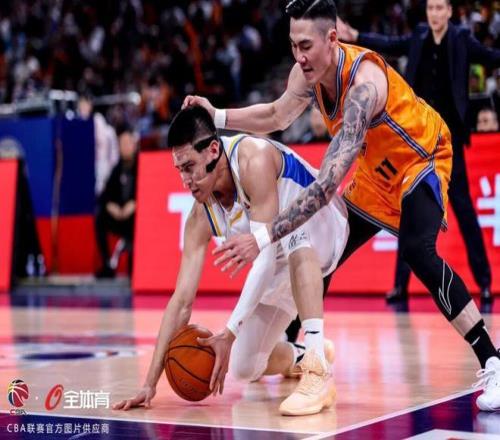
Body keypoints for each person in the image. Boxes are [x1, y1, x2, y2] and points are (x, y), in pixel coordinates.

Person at [183, 0, 500, 411]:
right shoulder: (306, 74)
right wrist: (217, 116)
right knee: (326, 249)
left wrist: (261, 237)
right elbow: (276, 114)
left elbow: (326, 185)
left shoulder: (363, 85)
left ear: (332, 39)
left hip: (420, 157)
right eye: (293, 45)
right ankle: (302, 353)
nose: (298, 56)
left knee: (416, 251)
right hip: (374, 171)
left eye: (306, 46)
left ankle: (492, 359)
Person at [113, 106, 348, 416]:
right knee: (244, 366)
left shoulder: (252, 159)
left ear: (213, 150)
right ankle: (304, 355)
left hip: (323, 223)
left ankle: (318, 374)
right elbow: (181, 301)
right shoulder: (200, 216)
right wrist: (149, 384)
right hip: (279, 257)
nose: (185, 180)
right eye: (179, 170)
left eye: (189, 167)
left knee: (293, 233)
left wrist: (229, 332)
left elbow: (264, 259)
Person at [336, 0, 500, 307]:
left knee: (465, 213)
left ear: (450, 11)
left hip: (447, 146)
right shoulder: (419, 37)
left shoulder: (461, 39)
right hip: (413, 145)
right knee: (405, 211)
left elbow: (491, 57)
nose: (435, 14)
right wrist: (356, 35)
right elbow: (389, 44)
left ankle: (486, 284)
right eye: (431, 8)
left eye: (440, 8)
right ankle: (400, 286)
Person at [95, 125, 138, 278]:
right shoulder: (117, 169)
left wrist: (136, 204)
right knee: (100, 217)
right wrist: (111, 206)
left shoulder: (141, 165)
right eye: (122, 144)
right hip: (119, 216)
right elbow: (105, 195)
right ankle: (107, 264)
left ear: (134, 144)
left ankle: (135, 267)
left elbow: (151, 192)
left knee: (139, 220)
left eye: (127, 143)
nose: (125, 147)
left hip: (135, 217)